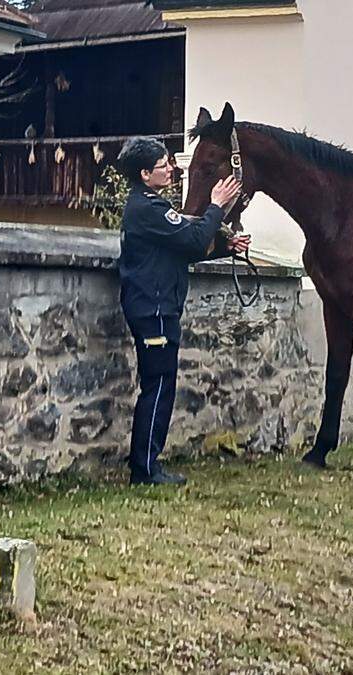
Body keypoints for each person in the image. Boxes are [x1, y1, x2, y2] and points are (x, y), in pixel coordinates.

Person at [116, 137, 249, 486]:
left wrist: (224, 247)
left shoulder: (150, 208)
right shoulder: (148, 208)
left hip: (158, 305)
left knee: (161, 383)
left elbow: (183, 249)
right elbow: (190, 238)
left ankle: (147, 464)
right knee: (158, 385)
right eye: (164, 165)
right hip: (153, 308)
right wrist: (217, 205)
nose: (171, 170)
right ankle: (145, 469)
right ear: (145, 174)